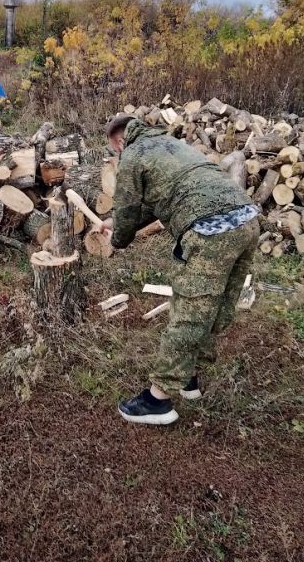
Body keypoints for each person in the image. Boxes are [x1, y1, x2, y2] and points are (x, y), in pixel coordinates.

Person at [101, 114, 260, 426]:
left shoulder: (133, 154)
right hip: (246, 220)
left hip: (211, 230)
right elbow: (156, 201)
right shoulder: (172, 144)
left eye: (114, 150)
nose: (117, 155)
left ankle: (157, 400)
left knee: (189, 311)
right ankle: (189, 378)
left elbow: (129, 209)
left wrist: (117, 237)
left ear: (120, 141)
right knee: (215, 307)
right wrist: (113, 220)